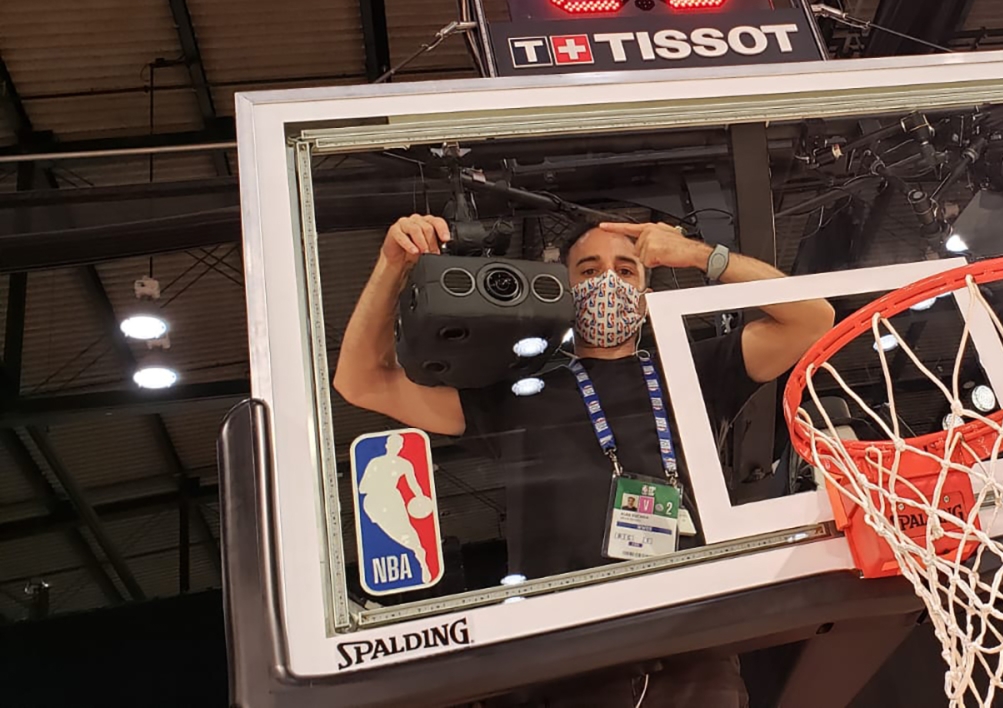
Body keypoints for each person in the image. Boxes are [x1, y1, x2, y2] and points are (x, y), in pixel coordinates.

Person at [334, 214, 835, 707]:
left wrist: (697, 255)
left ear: (647, 296)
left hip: (693, 651)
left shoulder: (696, 368)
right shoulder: (517, 391)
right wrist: (393, 264)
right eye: (589, 271)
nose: (608, 283)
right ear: (564, 291)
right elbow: (361, 381)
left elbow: (814, 317)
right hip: (567, 657)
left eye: (626, 269)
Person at [355, 433, 436, 584]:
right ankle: (417, 554)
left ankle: (422, 561)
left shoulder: (404, 464)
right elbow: (362, 488)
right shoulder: (375, 462)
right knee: (392, 533)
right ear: (387, 446)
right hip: (375, 502)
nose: (396, 448)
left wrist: (420, 498)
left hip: (392, 499)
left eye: (398, 445)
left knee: (407, 532)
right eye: (393, 445)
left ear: (401, 447)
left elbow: (414, 485)